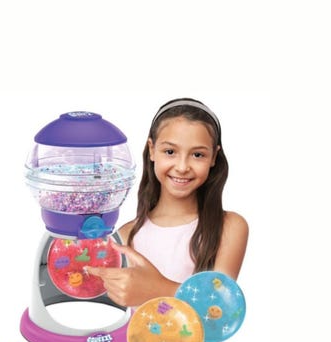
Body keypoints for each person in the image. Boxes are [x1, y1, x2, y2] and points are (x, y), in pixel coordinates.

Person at [86, 98, 248, 308]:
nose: (182, 167)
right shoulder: (126, 236)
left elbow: (220, 307)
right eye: (170, 152)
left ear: (213, 157)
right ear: (152, 149)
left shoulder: (229, 226)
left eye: (197, 154)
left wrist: (156, 288)